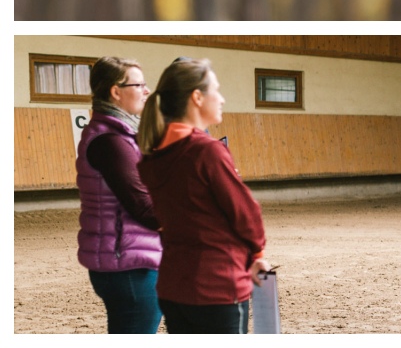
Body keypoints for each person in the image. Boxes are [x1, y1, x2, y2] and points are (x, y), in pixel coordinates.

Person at [136, 58, 270, 334]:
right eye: (216, 90)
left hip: (174, 287)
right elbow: (246, 212)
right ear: (196, 97)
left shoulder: (152, 158)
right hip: (217, 286)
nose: (221, 98)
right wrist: (257, 252)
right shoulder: (207, 151)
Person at [76, 57, 162, 333]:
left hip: (129, 258)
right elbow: (144, 207)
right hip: (126, 265)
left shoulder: (122, 136)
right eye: (140, 84)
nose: (147, 91)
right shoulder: (111, 142)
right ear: (116, 91)